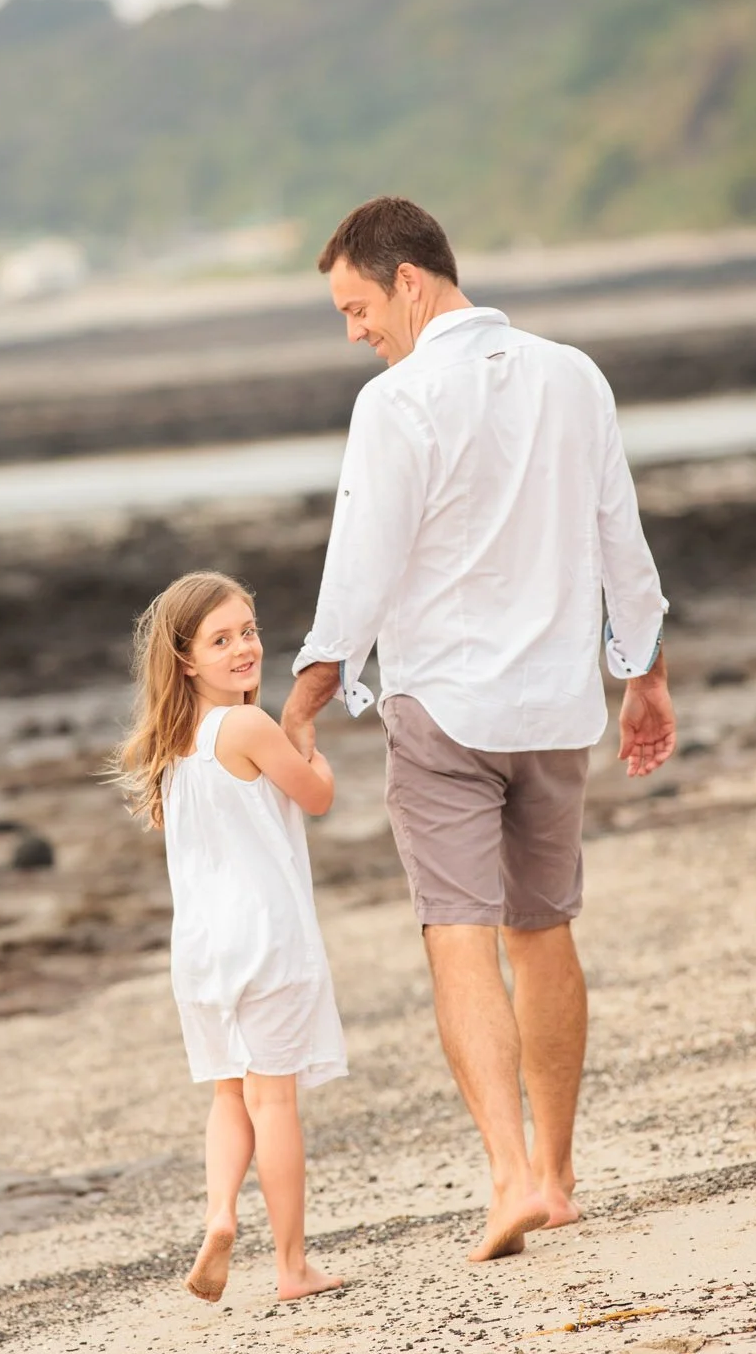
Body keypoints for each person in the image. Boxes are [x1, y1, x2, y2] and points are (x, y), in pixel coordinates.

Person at [282, 195, 675, 1264]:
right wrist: (643, 677)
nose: (353, 332)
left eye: (356, 306)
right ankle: (556, 1173)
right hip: (556, 709)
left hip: (446, 708)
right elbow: (619, 538)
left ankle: (507, 1173)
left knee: (458, 930)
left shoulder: (396, 404)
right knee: (542, 928)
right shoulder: (573, 375)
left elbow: (358, 569)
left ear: (409, 280)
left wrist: (307, 697)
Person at [115, 570, 347, 1304]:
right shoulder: (246, 727)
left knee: (228, 1094)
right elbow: (316, 796)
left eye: (247, 630)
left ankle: (219, 1214)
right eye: (221, 640)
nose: (244, 647)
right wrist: (309, 742)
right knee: (273, 1101)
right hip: (267, 938)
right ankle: (290, 1266)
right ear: (186, 659)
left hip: (202, 949)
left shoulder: (168, 742)